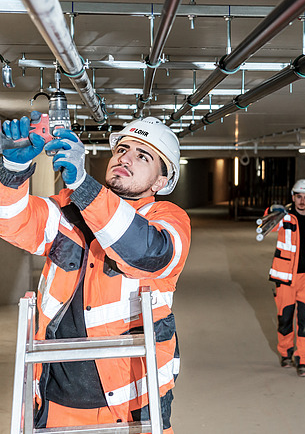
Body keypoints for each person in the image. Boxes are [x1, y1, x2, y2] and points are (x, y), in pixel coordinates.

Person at [0, 113, 191, 432]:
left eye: (142, 156)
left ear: (160, 181)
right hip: (55, 399)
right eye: (122, 150)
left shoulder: (167, 219)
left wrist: (83, 185)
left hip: (133, 406)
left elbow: (147, 253)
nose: (126, 158)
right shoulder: (67, 209)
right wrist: (13, 171)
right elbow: (12, 221)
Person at [269, 179, 305, 377]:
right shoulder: (284, 218)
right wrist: (273, 210)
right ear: (293, 197)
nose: (302, 201)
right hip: (285, 279)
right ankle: (286, 353)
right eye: (299, 197)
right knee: (285, 319)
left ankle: (304, 360)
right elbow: (267, 224)